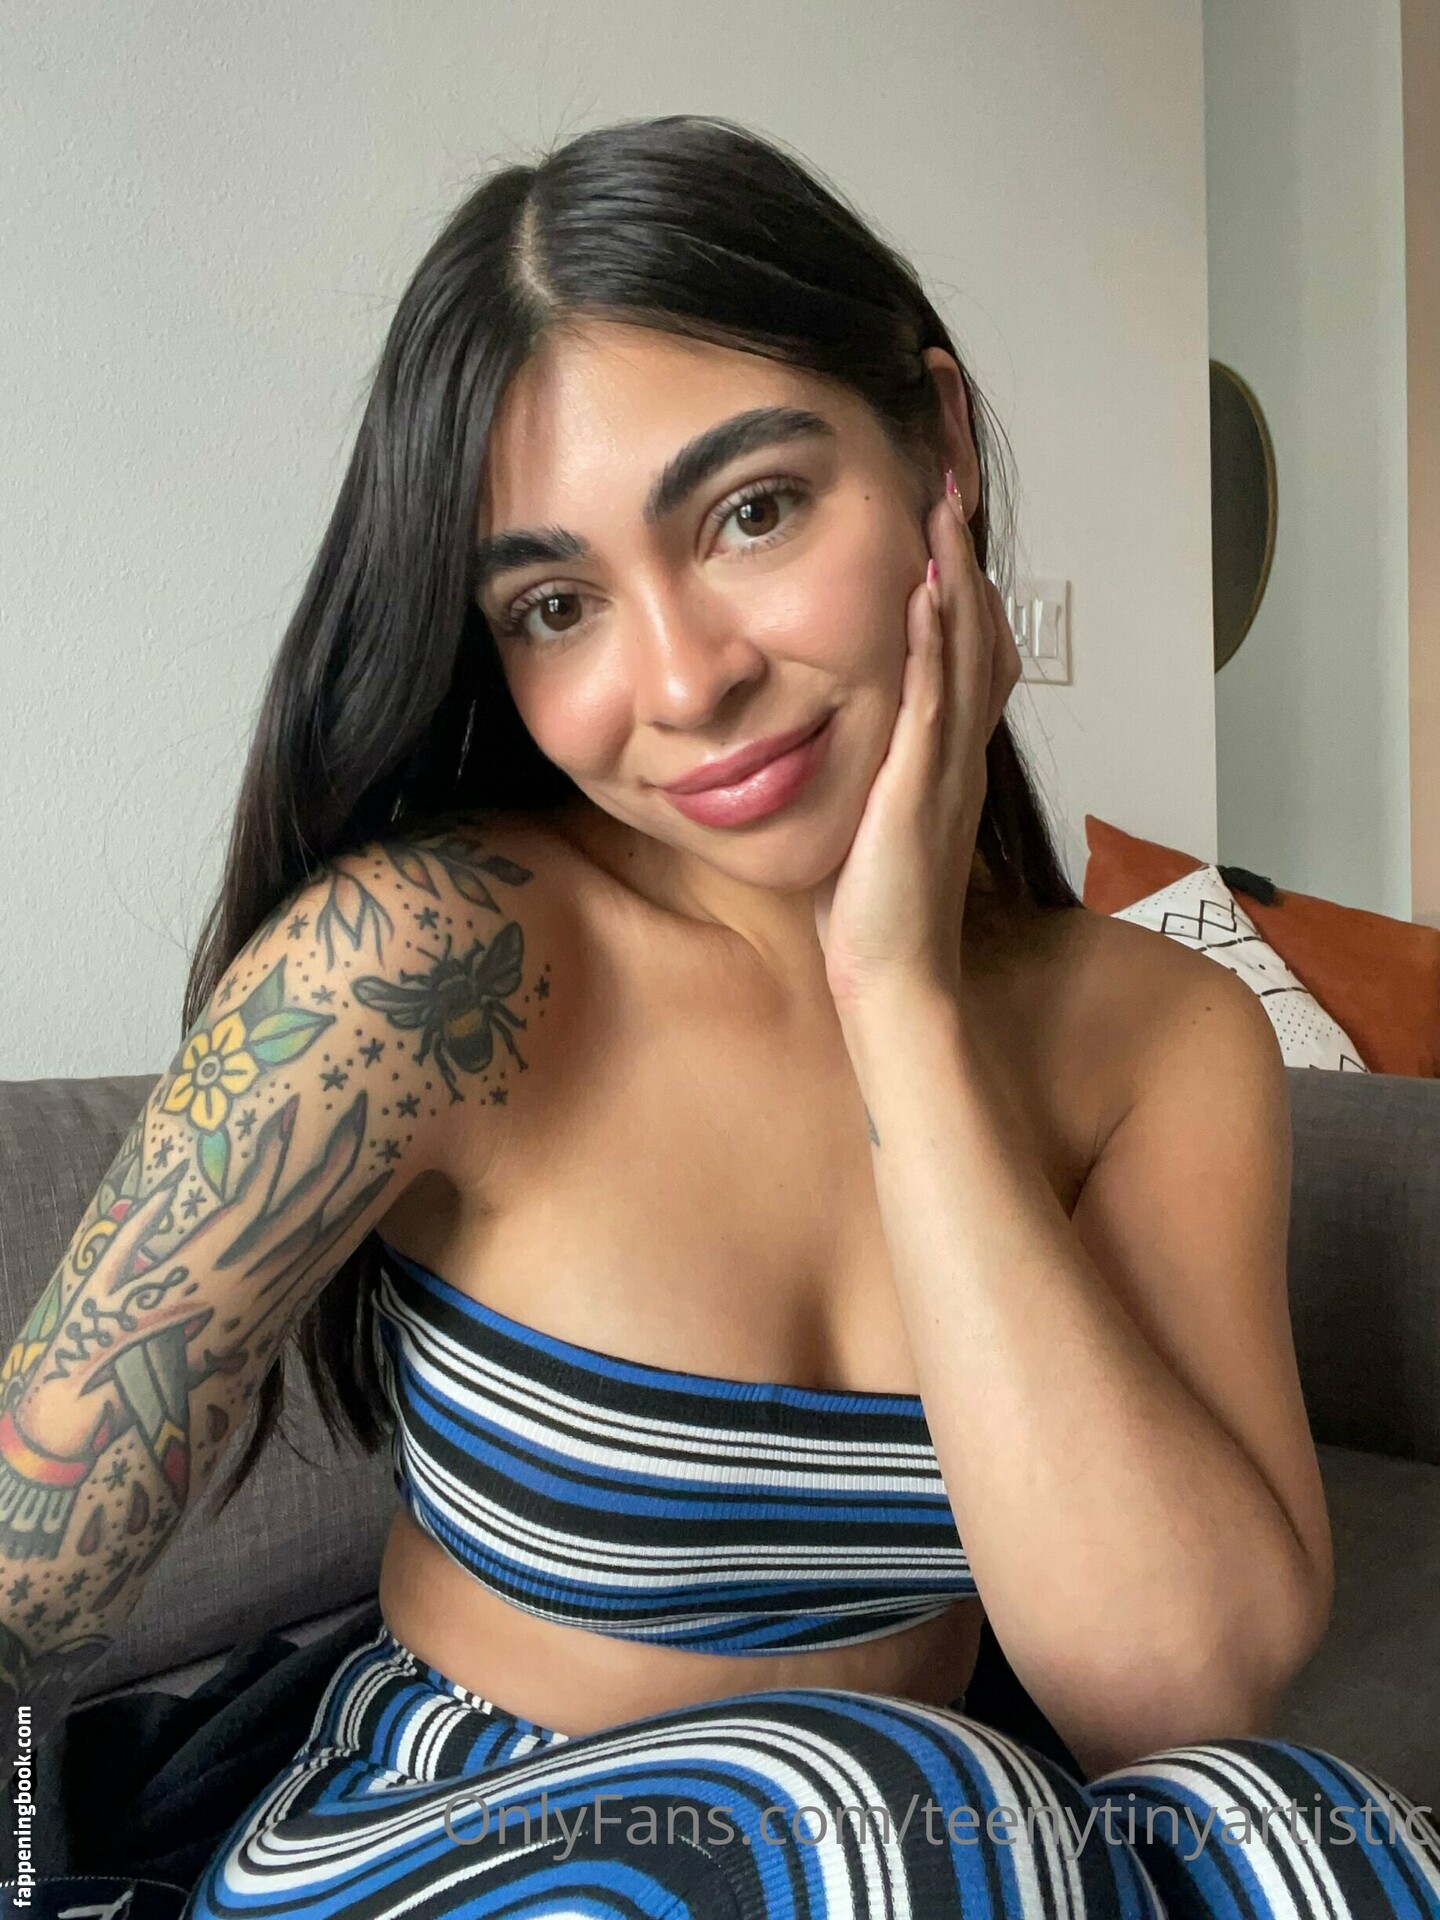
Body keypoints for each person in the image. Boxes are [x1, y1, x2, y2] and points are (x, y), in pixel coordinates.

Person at [2, 112, 1436, 1920]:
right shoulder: (423, 970)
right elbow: (22, 1578)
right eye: (555, 605)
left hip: (940, 1864)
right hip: (454, 1842)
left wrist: (898, 997)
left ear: (939, 452)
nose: (683, 682)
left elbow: (1178, 1699)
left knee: (1305, 1834)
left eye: (754, 511)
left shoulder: (1160, 1037)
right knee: (874, 1801)